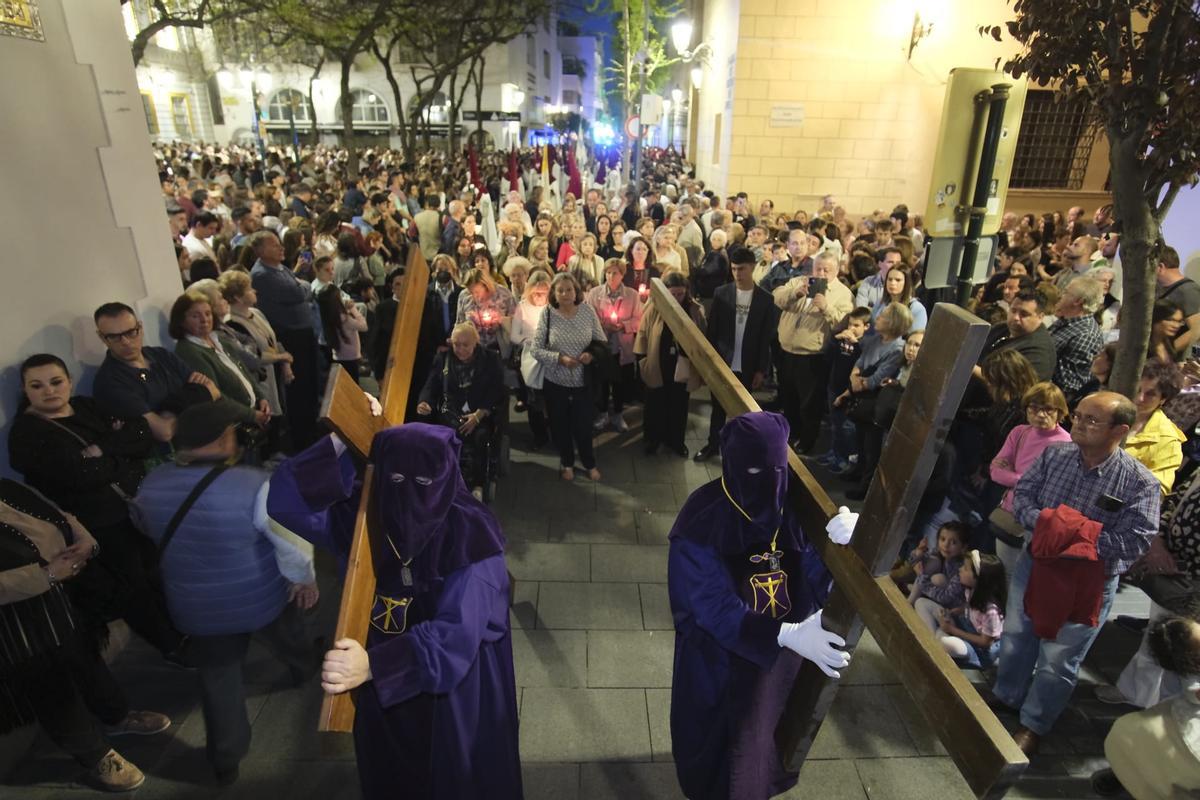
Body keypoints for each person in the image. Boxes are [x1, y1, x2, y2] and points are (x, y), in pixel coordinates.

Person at [266, 423, 522, 800]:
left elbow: (457, 633)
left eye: (425, 480)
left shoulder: (471, 533)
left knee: (458, 782)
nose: (411, 495)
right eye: (398, 477)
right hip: (379, 681)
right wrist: (340, 437)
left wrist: (373, 666)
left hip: (451, 687)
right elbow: (287, 501)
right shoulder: (367, 513)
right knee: (391, 775)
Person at [668, 411, 854, 800]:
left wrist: (846, 549)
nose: (768, 482)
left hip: (779, 662)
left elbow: (817, 578)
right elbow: (711, 606)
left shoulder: (796, 510)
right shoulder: (701, 520)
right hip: (718, 660)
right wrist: (783, 633)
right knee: (716, 746)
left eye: (776, 469)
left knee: (762, 741)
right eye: (755, 471)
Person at [131, 401, 319, 785]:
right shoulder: (252, 484)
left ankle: (226, 758)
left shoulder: (149, 485)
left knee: (219, 681)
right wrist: (305, 578)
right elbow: (289, 543)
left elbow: (149, 531)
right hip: (260, 596)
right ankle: (304, 669)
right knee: (288, 633)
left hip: (198, 609)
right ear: (223, 439)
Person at [992, 391, 1160, 755]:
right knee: (1018, 635)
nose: (1079, 424)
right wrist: (1057, 526)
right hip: (1036, 564)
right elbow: (1022, 499)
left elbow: (1135, 541)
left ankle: (1034, 722)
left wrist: (1065, 533)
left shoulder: (1138, 482)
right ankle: (1006, 697)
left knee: (1060, 658)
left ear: (1121, 430)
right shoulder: (1055, 455)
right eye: (1079, 416)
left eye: (1091, 420)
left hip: (1089, 581)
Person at [8, 354, 186, 662]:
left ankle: (183, 630)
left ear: (69, 382)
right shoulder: (27, 434)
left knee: (158, 569)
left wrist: (104, 450)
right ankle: (172, 647)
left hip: (135, 507)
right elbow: (79, 476)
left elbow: (141, 435)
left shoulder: (87, 407)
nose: (49, 391)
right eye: (37, 386)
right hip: (98, 522)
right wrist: (118, 453)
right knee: (134, 586)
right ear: (26, 390)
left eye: (56, 382)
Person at [0, 479, 171, 793]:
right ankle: (94, 756)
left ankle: (117, 717)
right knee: (49, 686)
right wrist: (46, 574)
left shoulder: (6, 486)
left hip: (59, 598)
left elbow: (61, 515)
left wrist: (85, 540)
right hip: (14, 622)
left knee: (87, 660)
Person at [92, 302, 219, 442]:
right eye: (114, 337)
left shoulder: (160, 354)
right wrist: (195, 398)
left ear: (140, 327)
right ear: (102, 337)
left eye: (130, 332)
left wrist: (169, 412)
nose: (126, 342)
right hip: (170, 454)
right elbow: (164, 432)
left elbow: (212, 390)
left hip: (208, 435)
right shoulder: (110, 382)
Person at [695, 246, 776, 462]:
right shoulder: (722, 293)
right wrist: (708, 364)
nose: (737, 274)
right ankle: (713, 444)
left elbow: (764, 338)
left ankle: (739, 450)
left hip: (748, 363)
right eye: (734, 269)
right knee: (718, 408)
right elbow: (712, 331)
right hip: (723, 360)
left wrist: (761, 369)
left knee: (742, 411)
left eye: (742, 269)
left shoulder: (765, 299)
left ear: (752, 268)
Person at [528, 272, 607, 482]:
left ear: (576, 291)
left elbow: (601, 340)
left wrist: (591, 354)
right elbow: (535, 349)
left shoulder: (587, 311)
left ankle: (589, 462)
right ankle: (567, 461)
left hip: (583, 381)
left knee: (583, 425)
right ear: (554, 293)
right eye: (560, 290)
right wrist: (560, 358)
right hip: (556, 381)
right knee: (560, 424)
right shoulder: (548, 313)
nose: (565, 294)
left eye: (569, 289)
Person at [773, 251, 854, 454]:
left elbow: (843, 324)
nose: (821, 273)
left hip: (813, 356)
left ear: (836, 270)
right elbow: (777, 297)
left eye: (827, 270)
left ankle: (808, 440)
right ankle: (791, 434)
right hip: (786, 351)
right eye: (818, 268)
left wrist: (827, 308)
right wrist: (795, 294)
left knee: (809, 403)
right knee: (788, 398)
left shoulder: (843, 293)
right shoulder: (799, 281)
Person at [988, 382, 1073, 575]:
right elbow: (995, 471)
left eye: (1048, 409)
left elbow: (1048, 486)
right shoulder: (1020, 432)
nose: (1040, 414)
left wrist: (1012, 474)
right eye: (1034, 408)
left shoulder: (1066, 443)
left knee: (1024, 579)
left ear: (1060, 412)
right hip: (1010, 514)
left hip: (1038, 520)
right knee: (1003, 573)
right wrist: (1026, 479)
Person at [249, 230, 322, 448]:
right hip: (290, 336)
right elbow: (300, 292)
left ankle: (311, 425)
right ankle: (302, 435)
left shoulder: (279, 268)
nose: (281, 248)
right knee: (299, 388)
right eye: (274, 245)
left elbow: (300, 286)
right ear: (260, 251)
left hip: (302, 333)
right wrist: (303, 286)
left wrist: (302, 286)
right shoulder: (262, 275)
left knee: (310, 383)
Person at [416, 323, 506, 501]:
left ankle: (478, 484)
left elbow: (497, 390)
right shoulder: (443, 358)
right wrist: (424, 402)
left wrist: (479, 414)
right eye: (456, 344)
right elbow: (431, 384)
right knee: (440, 438)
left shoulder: (490, 359)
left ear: (476, 343)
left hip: (481, 412)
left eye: (465, 345)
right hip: (451, 411)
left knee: (480, 438)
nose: (460, 349)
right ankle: (443, 478)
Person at [170, 291, 271, 429]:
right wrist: (252, 415)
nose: (204, 320)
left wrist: (261, 397)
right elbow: (216, 395)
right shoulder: (189, 351)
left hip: (250, 413)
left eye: (207, 313)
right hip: (231, 425)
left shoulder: (218, 338)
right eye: (195, 316)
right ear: (181, 321)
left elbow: (242, 370)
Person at [635, 271, 705, 457]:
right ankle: (653, 439)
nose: (676, 298)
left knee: (679, 403)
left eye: (680, 294)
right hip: (659, 361)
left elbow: (702, 337)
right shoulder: (654, 308)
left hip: (683, 362)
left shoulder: (694, 309)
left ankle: (676, 441)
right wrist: (641, 361)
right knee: (655, 402)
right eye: (672, 294)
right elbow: (642, 334)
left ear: (686, 292)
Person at [585, 260, 643, 433]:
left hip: (622, 347)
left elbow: (639, 319)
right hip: (602, 346)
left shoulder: (632, 295)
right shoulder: (595, 293)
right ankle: (602, 413)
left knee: (620, 382)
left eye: (615, 273)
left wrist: (623, 325)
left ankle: (618, 413)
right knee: (602, 381)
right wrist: (604, 326)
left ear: (622, 274)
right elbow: (589, 317)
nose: (611, 276)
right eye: (608, 273)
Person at [930, 552, 1007, 670]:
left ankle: (937, 637)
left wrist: (953, 630)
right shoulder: (971, 591)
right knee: (922, 603)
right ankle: (935, 637)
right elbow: (971, 608)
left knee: (949, 644)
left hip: (980, 650)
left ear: (980, 579)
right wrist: (956, 611)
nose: (960, 569)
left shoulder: (992, 612)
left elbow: (985, 642)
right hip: (966, 628)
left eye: (965, 569)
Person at [1123, 359, 1187, 493]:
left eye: (1150, 394)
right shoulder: (1109, 412)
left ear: (1163, 399)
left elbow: (1158, 489)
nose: (1140, 398)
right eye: (1138, 389)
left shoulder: (1168, 440)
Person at [511, 271, 553, 448]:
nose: (539, 297)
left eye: (543, 294)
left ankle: (553, 427)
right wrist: (528, 341)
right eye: (536, 293)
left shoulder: (552, 308)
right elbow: (514, 335)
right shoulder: (522, 307)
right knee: (534, 400)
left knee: (551, 398)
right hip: (529, 355)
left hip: (550, 355)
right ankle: (539, 435)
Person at [1049, 276, 1106, 401]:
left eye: (1066, 292)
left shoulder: (1085, 334)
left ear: (1078, 301)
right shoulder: (1065, 322)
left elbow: (1069, 387)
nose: (1060, 296)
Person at [623, 235, 661, 302]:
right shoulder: (624, 269)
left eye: (644, 249)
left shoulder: (654, 271)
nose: (641, 253)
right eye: (638, 249)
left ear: (648, 252)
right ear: (631, 251)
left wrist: (649, 292)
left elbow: (658, 292)